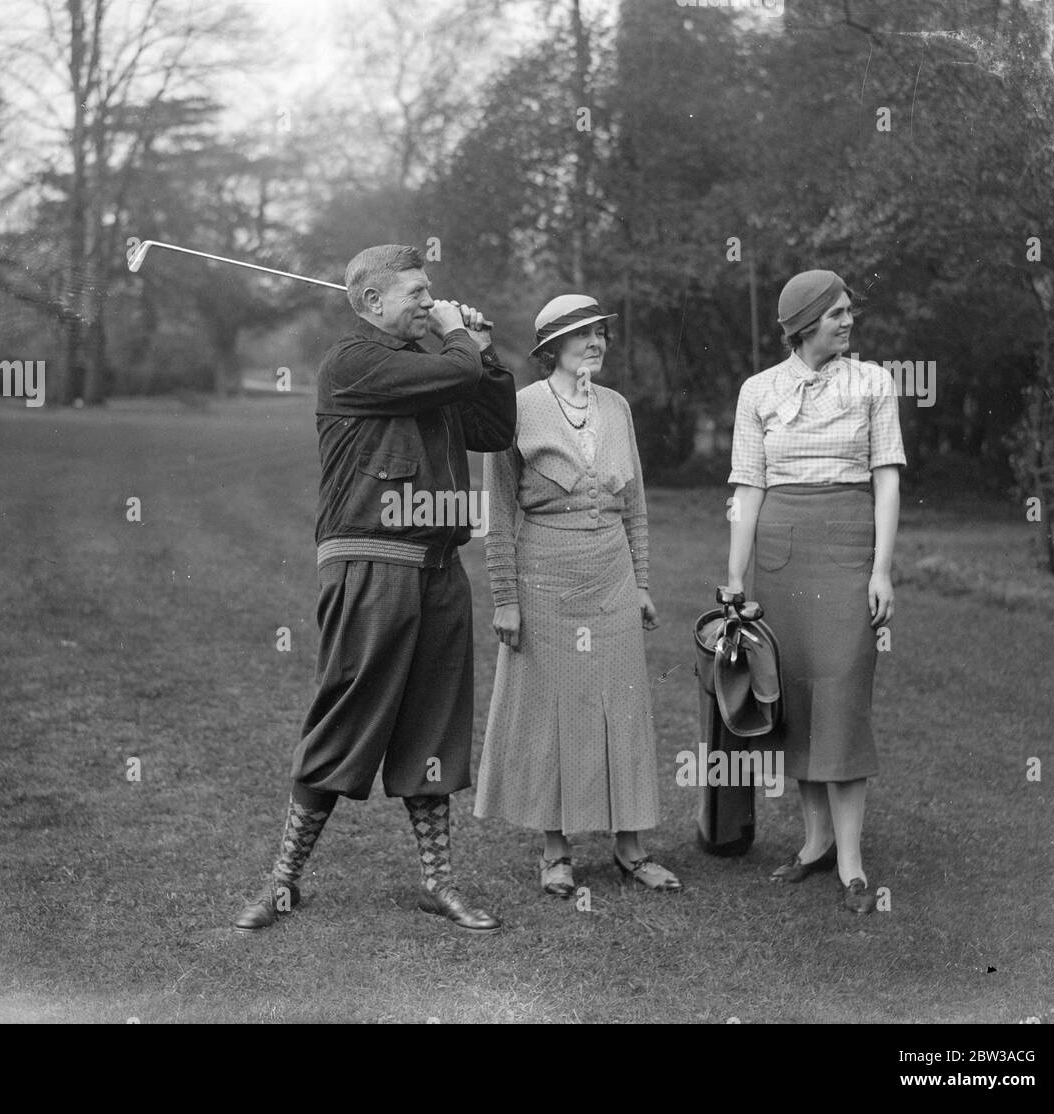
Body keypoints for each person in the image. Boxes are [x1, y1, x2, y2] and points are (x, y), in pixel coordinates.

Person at [233, 244, 516, 935]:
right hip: (369, 564)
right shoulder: (352, 363)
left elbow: (496, 427)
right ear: (371, 304)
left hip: (439, 570)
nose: (428, 300)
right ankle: (282, 881)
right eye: (416, 293)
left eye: (431, 292)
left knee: (434, 729)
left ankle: (438, 883)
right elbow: (453, 371)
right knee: (345, 720)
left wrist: (486, 353)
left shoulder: (438, 371)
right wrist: (459, 341)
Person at [474, 294, 681, 897]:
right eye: (582, 335)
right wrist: (505, 598)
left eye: (601, 334)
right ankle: (556, 851)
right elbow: (501, 511)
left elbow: (635, 505)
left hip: (612, 579)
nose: (596, 343)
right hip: (546, 583)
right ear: (551, 348)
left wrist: (641, 584)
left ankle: (632, 848)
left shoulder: (616, 407)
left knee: (622, 706)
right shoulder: (518, 410)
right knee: (554, 710)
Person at [725, 269, 905, 914]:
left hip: (850, 549)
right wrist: (736, 576)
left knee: (843, 695)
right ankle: (814, 843)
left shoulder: (873, 382)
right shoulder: (759, 391)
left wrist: (881, 569)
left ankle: (851, 862)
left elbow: (886, 479)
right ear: (803, 324)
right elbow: (748, 488)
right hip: (779, 556)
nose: (848, 321)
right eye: (836, 313)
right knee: (794, 698)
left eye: (850, 311)